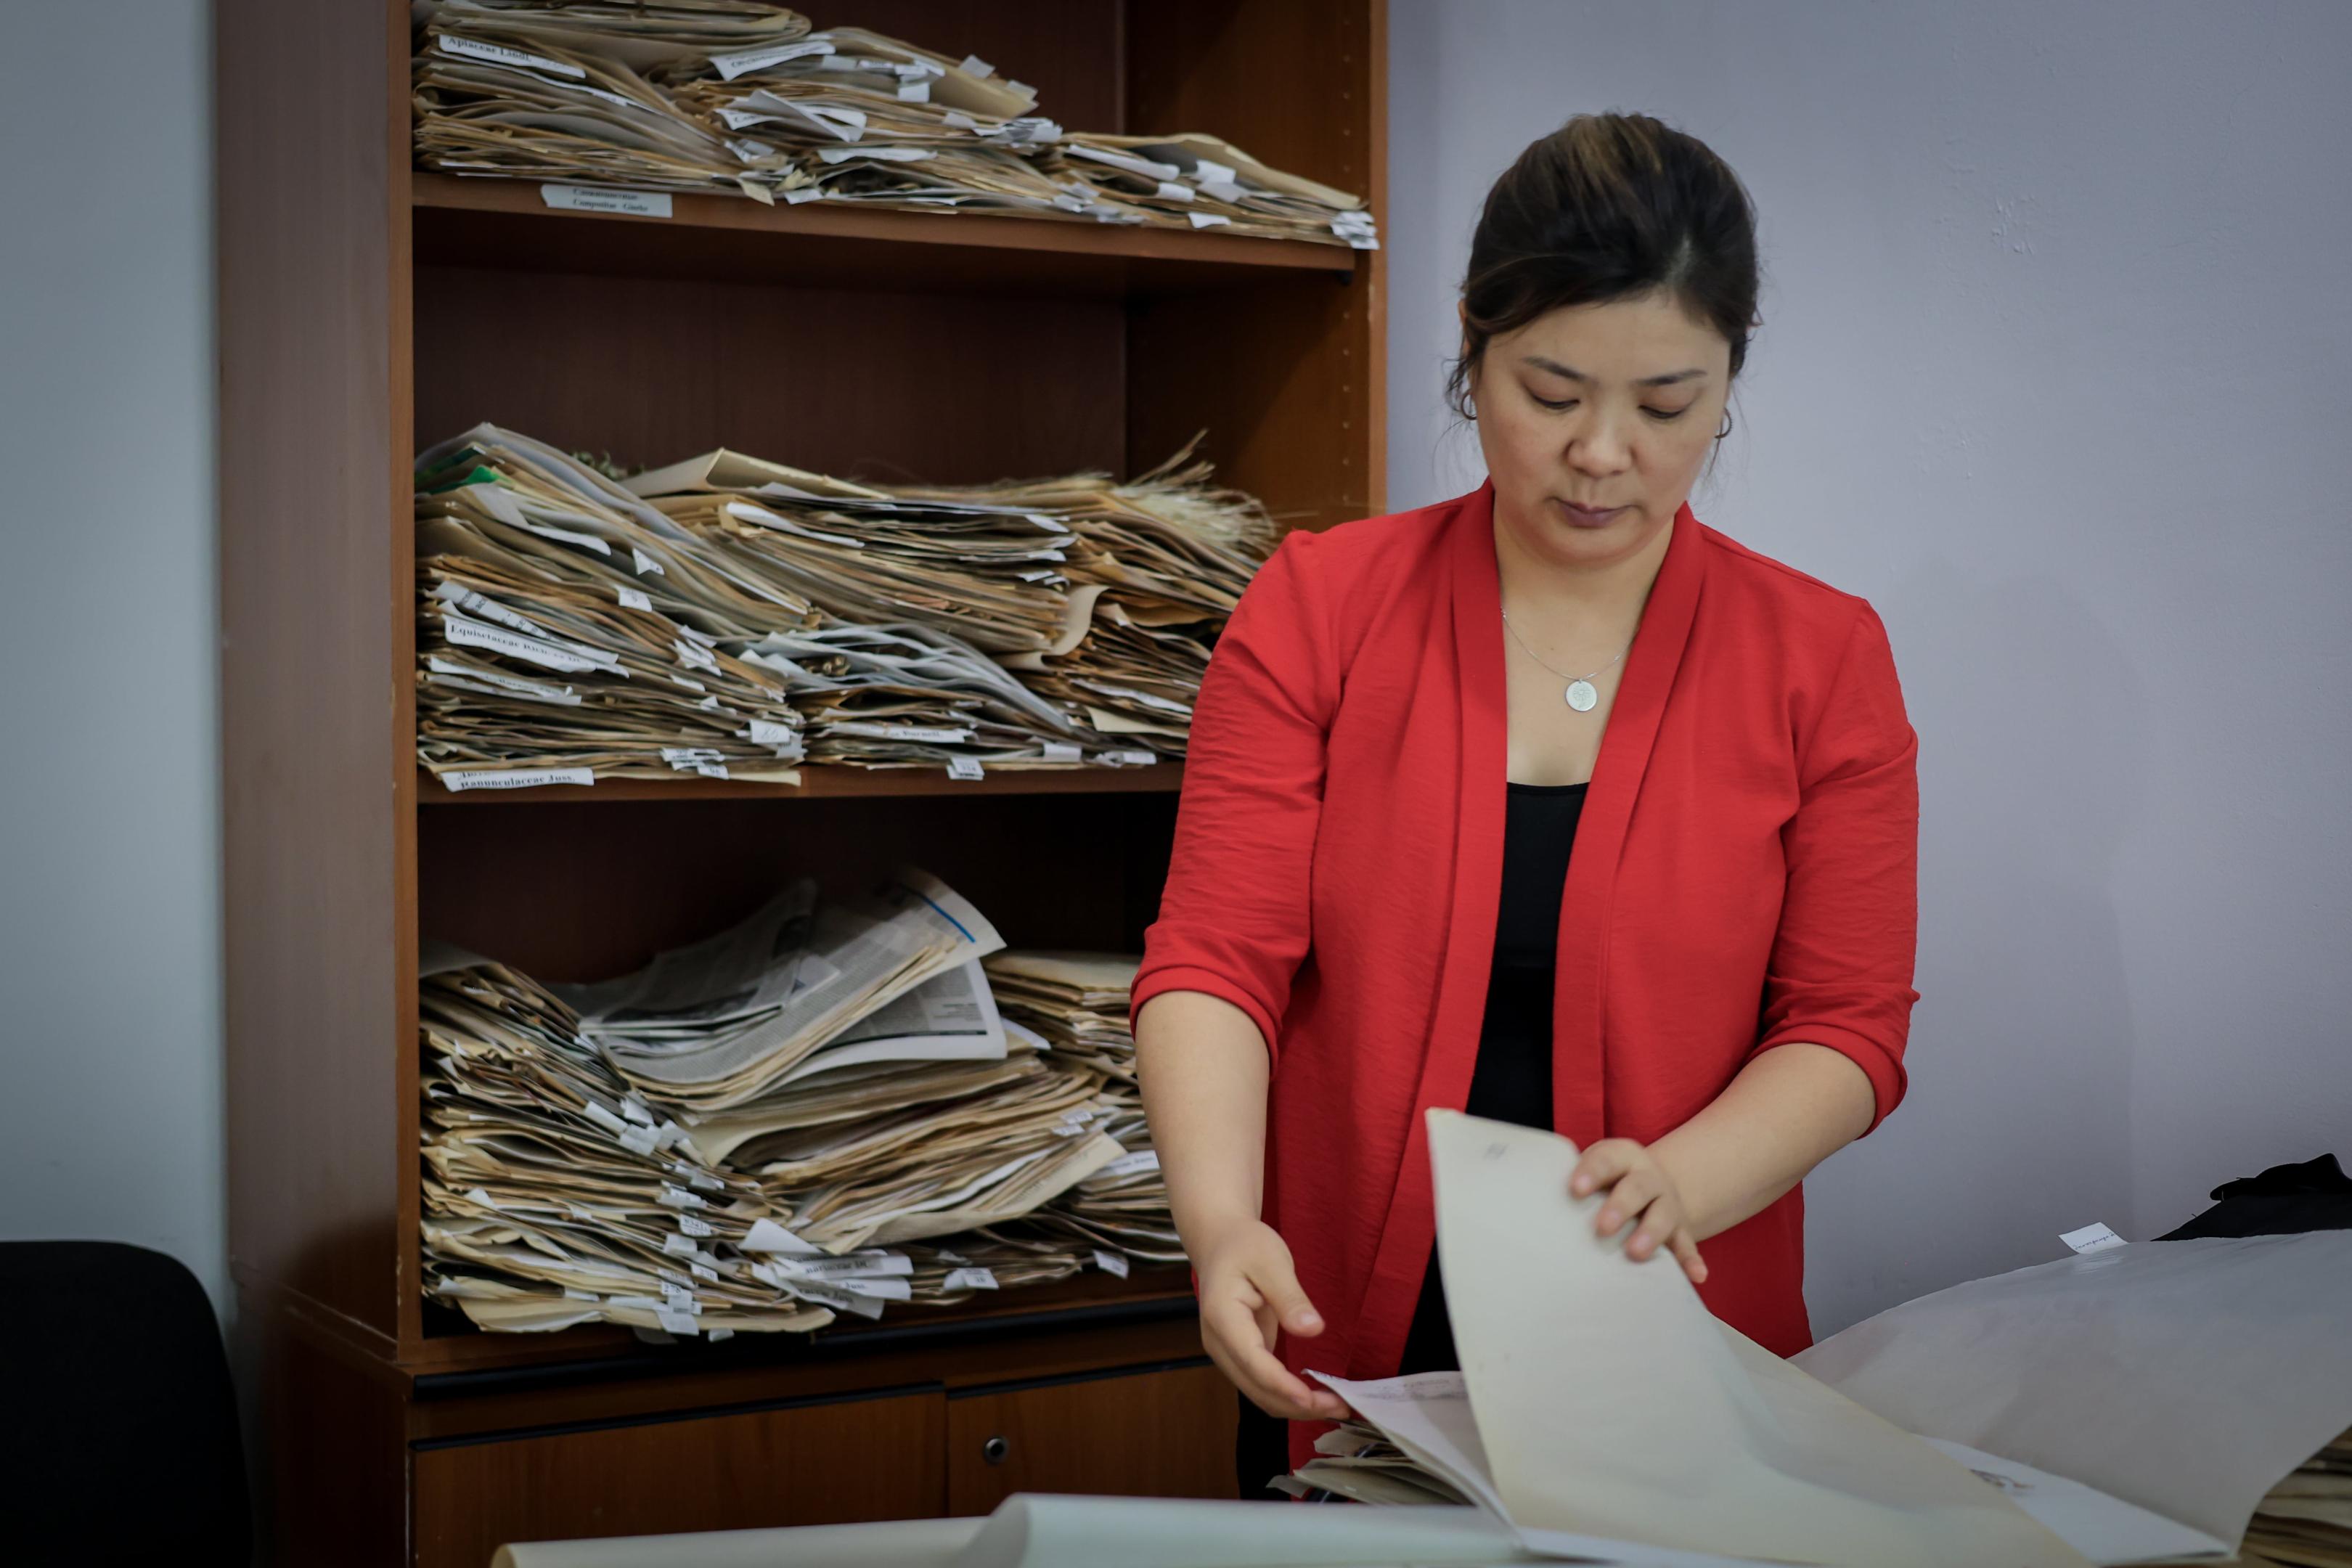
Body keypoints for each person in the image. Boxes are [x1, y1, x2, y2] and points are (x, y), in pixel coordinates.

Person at [1131, 112, 1922, 1498]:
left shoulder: (1820, 656)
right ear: (1471, 348)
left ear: (1730, 373)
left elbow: (1846, 1027)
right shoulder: (1322, 609)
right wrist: (1218, 1224)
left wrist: (1685, 1179)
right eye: (1551, 393)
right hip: (1348, 1342)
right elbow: (1217, 960)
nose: (1603, 452)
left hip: (1678, 1345)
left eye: (1667, 405)